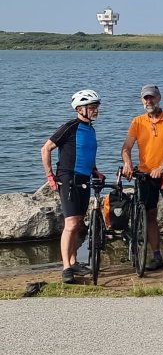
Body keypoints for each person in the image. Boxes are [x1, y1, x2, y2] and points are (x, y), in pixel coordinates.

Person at [41, 89, 103, 284]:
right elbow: (46, 148)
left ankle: (74, 261)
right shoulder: (70, 127)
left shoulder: (91, 130)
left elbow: (86, 155)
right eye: (92, 107)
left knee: (78, 223)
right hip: (68, 178)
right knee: (70, 224)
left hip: (84, 178)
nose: (95, 111)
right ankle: (66, 267)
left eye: (96, 107)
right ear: (80, 109)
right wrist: (50, 175)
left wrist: (95, 171)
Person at [121, 84, 163, 270]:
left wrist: (162, 166)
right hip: (145, 175)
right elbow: (126, 147)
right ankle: (156, 256)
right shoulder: (137, 122)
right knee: (150, 215)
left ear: (159, 98)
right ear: (142, 100)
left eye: (152, 97)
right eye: (145, 98)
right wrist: (127, 162)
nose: (149, 101)